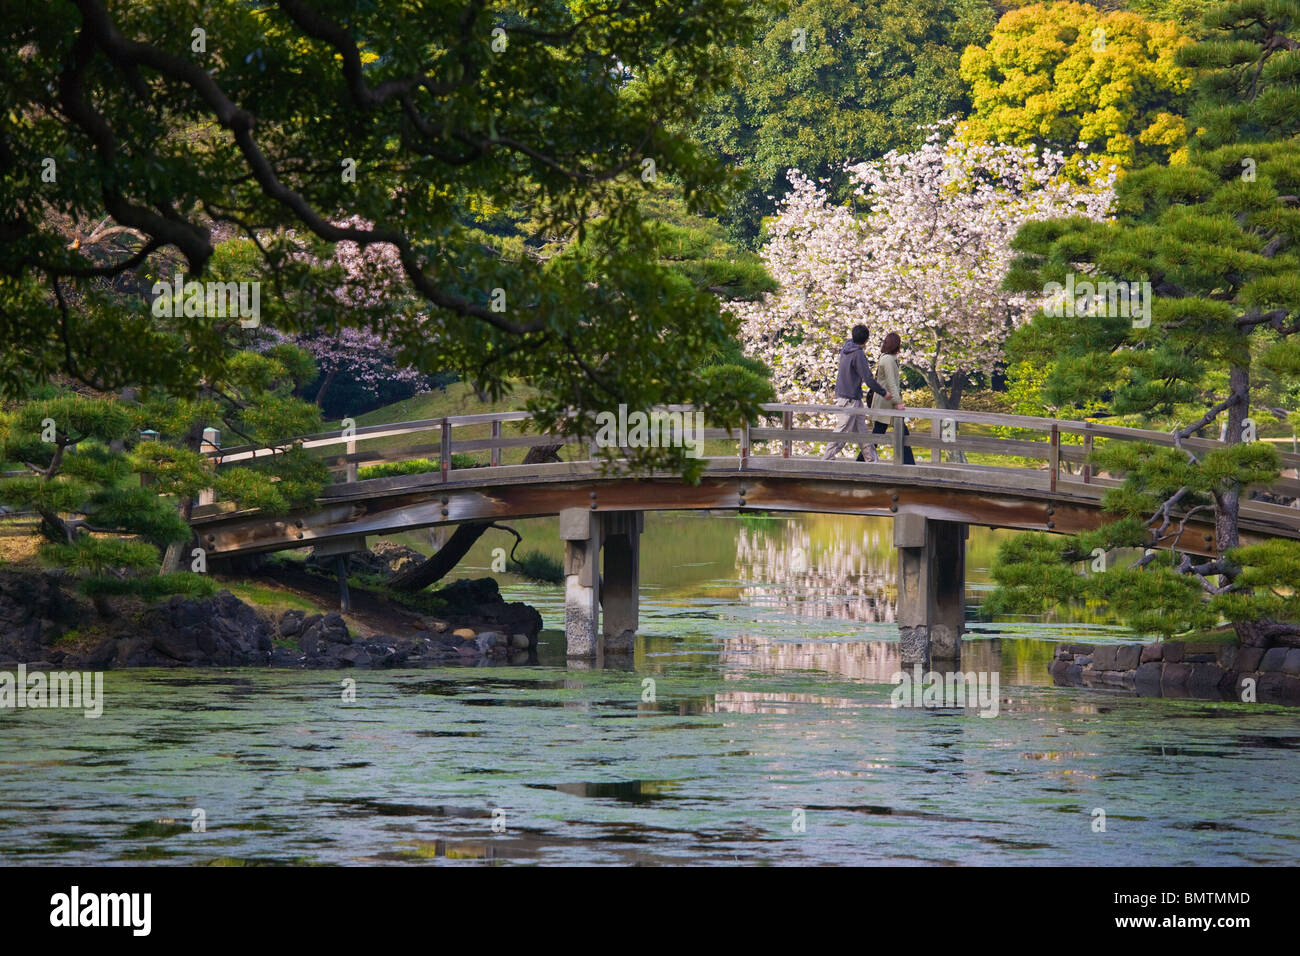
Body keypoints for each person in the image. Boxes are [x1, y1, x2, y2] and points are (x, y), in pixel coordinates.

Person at [821, 324, 894, 462]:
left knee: (862, 432)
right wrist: (883, 392)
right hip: (850, 399)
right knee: (842, 431)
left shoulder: (846, 347)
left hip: (849, 396)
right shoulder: (858, 354)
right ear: (866, 340)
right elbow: (868, 378)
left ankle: (872, 461)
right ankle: (826, 459)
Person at [870, 331, 914, 465]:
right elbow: (891, 383)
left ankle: (909, 464)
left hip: (886, 402)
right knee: (881, 434)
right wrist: (898, 402)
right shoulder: (888, 360)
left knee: (881, 434)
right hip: (887, 402)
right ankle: (909, 465)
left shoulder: (885, 357)